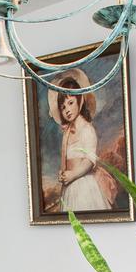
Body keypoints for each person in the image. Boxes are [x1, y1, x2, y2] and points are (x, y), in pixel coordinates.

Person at [45, 69, 113, 213]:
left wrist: (73, 174)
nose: (67, 110)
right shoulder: (68, 132)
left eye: (70, 103)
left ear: (80, 101)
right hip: (70, 186)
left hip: (84, 185)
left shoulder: (87, 130)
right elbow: (66, 158)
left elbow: (89, 160)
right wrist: (63, 173)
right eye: (63, 107)